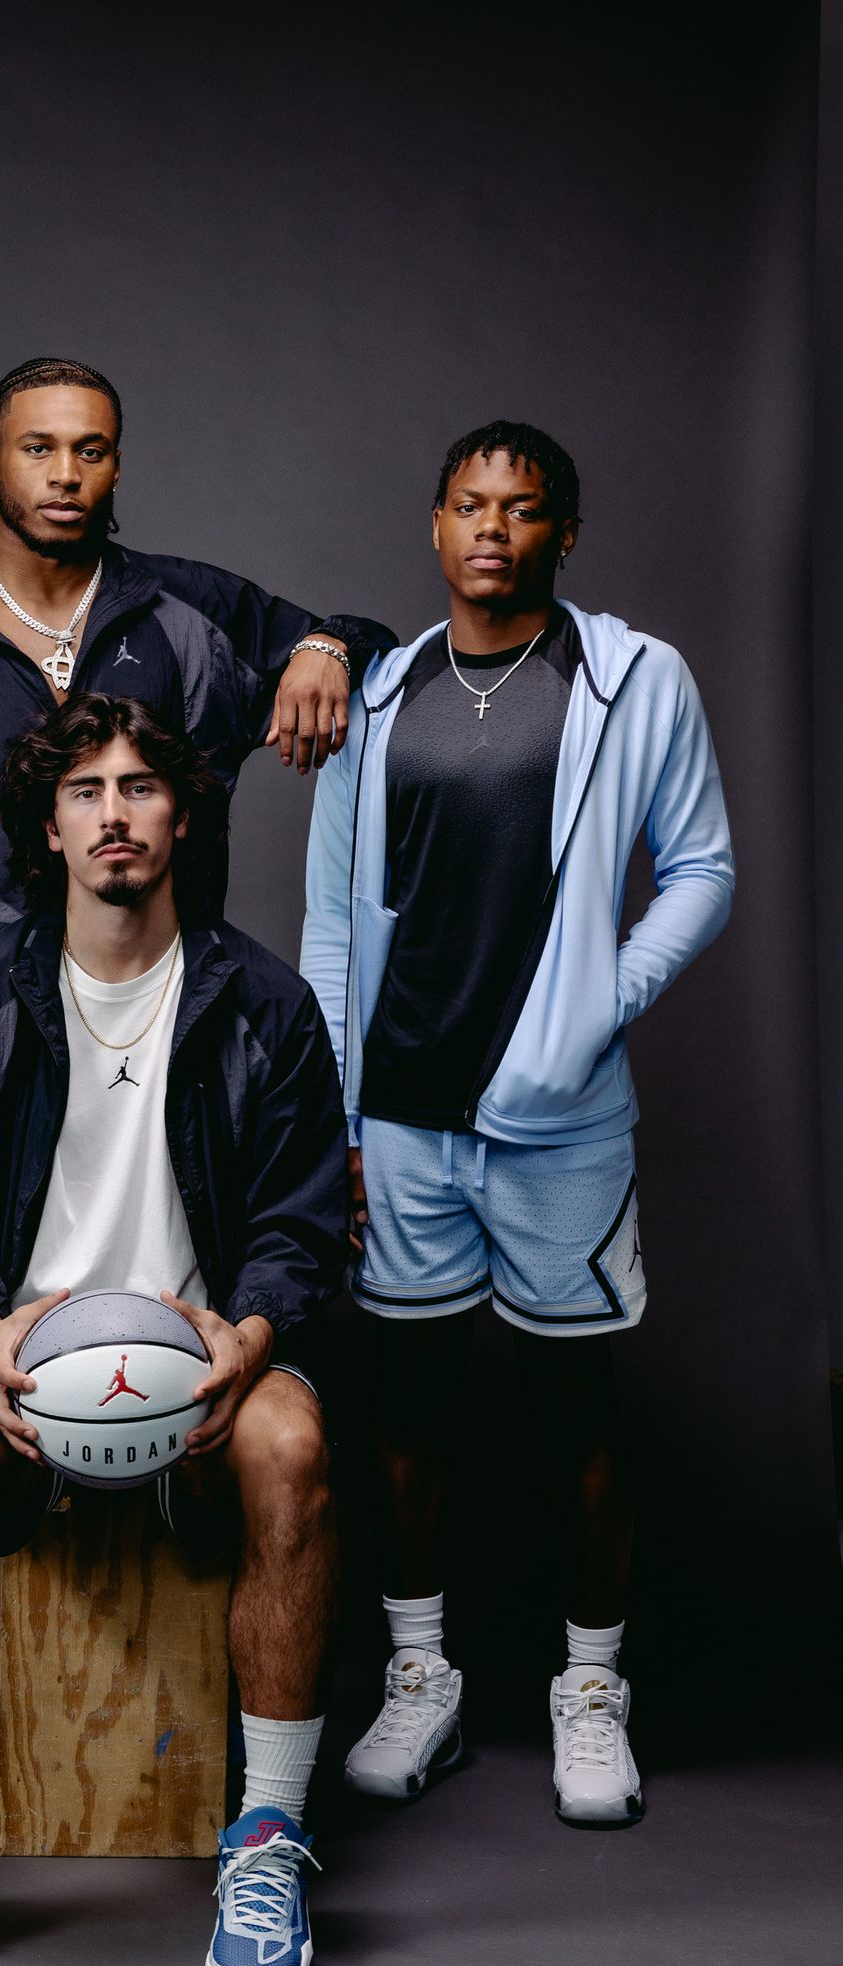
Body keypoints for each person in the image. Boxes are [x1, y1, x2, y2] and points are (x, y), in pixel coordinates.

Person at [0, 352, 393, 1771]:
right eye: (37, 447)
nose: (63, 471)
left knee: (279, 1428)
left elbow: (352, 635)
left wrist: (324, 650)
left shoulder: (177, 612)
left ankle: (270, 1816)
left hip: (166, 1020)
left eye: (91, 449)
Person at [0, 693, 351, 1966]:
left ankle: (273, 1833)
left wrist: (248, 1334)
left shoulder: (266, 1005)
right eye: (85, 791)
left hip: (209, 1358)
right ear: (49, 828)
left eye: (140, 787)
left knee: (294, 1440)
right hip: (26, 1357)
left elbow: (301, 1230)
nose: (115, 812)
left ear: (182, 815)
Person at [300, 421, 733, 1825]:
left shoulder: (629, 676)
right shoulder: (377, 696)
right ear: (435, 527)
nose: (494, 529)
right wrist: (338, 1114)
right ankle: (420, 1680)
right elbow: (328, 926)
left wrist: (608, 996)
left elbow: (703, 868)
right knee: (408, 1403)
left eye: (524, 509)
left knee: (575, 1409)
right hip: (404, 1114)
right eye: (471, 506)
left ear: (562, 534)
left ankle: (590, 1689)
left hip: (559, 1116)